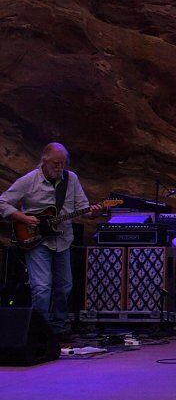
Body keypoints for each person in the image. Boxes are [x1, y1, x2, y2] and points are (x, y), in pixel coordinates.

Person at [0, 143, 103, 341]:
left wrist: (94, 212)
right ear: (44, 161)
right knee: (42, 288)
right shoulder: (29, 180)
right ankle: (39, 331)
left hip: (62, 240)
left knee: (65, 286)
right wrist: (23, 218)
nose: (60, 168)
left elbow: (84, 208)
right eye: (56, 163)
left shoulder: (71, 179)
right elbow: (2, 202)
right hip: (35, 240)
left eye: (63, 163)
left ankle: (59, 328)